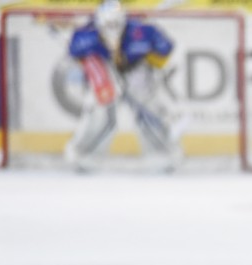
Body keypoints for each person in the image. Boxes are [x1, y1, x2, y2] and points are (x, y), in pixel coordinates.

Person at [64, 0, 182, 172]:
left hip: (136, 71)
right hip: (107, 71)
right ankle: (83, 155)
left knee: (149, 113)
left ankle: (164, 154)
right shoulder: (85, 35)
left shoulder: (143, 31)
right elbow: (75, 55)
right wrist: (98, 70)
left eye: (115, 23)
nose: (112, 28)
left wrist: (151, 62)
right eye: (107, 24)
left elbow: (165, 49)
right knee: (101, 115)